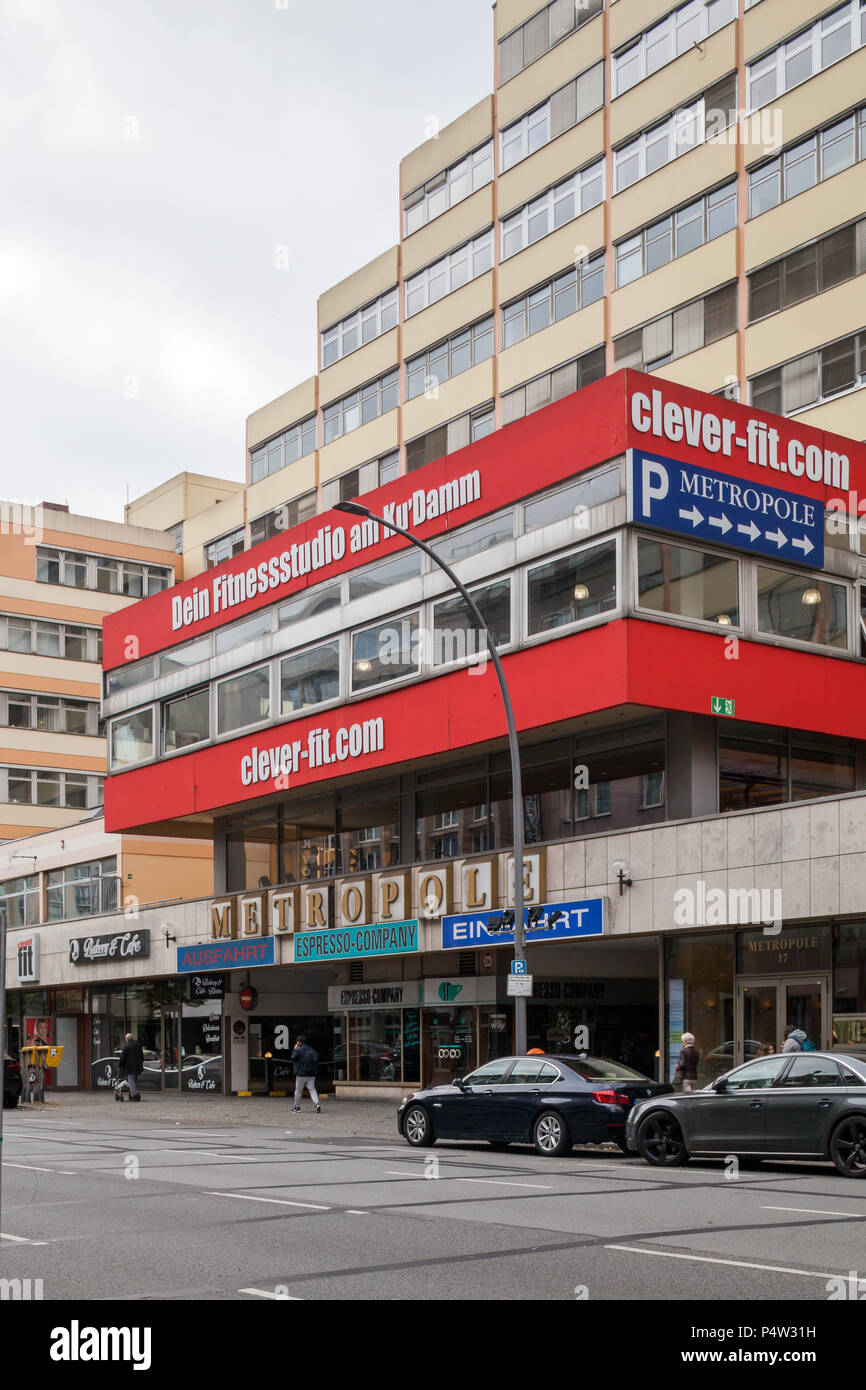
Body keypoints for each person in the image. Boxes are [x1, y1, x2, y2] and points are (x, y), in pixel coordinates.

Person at [291, 1035, 320, 1112]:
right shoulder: (311, 1049)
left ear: (299, 1042)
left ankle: (297, 1107)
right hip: (311, 1074)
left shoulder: (298, 1050)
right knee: (312, 1089)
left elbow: (293, 1058)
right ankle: (317, 1104)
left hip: (301, 1074)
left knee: (298, 1090)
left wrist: (294, 1049)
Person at [118, 1033, 144, 1101]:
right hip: (138, 1066)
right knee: (134, 1081)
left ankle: (134, 1094)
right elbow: (142, 1056)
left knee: (131, 1081)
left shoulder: (126, 1047)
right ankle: (133, 1093)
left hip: (130, 1067)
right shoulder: (138, 1046)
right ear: (132, 1038)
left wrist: (120, 1065)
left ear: (126, 1039)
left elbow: (122, 1058)